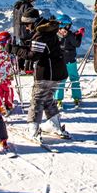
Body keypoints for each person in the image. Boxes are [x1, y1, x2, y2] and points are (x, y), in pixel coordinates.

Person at [11, 10, 69, 141]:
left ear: (31, 23)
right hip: (58, 72)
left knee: (37, 100)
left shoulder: (41, 34)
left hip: (46, 72)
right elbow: (39, 50)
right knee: (48, 98)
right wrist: (23, 47)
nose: (25, 27)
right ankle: (54, 124)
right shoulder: (48, 30)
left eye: (26, 25)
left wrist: (14, 49)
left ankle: (33, 129)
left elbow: (33, 56)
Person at [53, 14, 84, 109]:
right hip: (69, 61)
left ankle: (58, 99)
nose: (66, 29)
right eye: (67, 26)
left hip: (61, 62)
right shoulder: (70, 35)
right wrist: (79, 35)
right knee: (73, 79)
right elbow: (77, 44)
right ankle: (75, 98)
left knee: (61, 81)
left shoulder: (55, 35)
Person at [12, 0, 37, 74]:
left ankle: (19, 68)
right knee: (29, 49)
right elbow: (30, 19)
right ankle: (28, 68)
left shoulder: (18, 6)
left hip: (18, 31)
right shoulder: (27, 6)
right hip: (26, 31)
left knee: (21, 49)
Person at [0, 31, 16, 115]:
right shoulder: (8, 52)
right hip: (7, 76)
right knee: (8, 90)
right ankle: (8, 105)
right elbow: (13, 62)